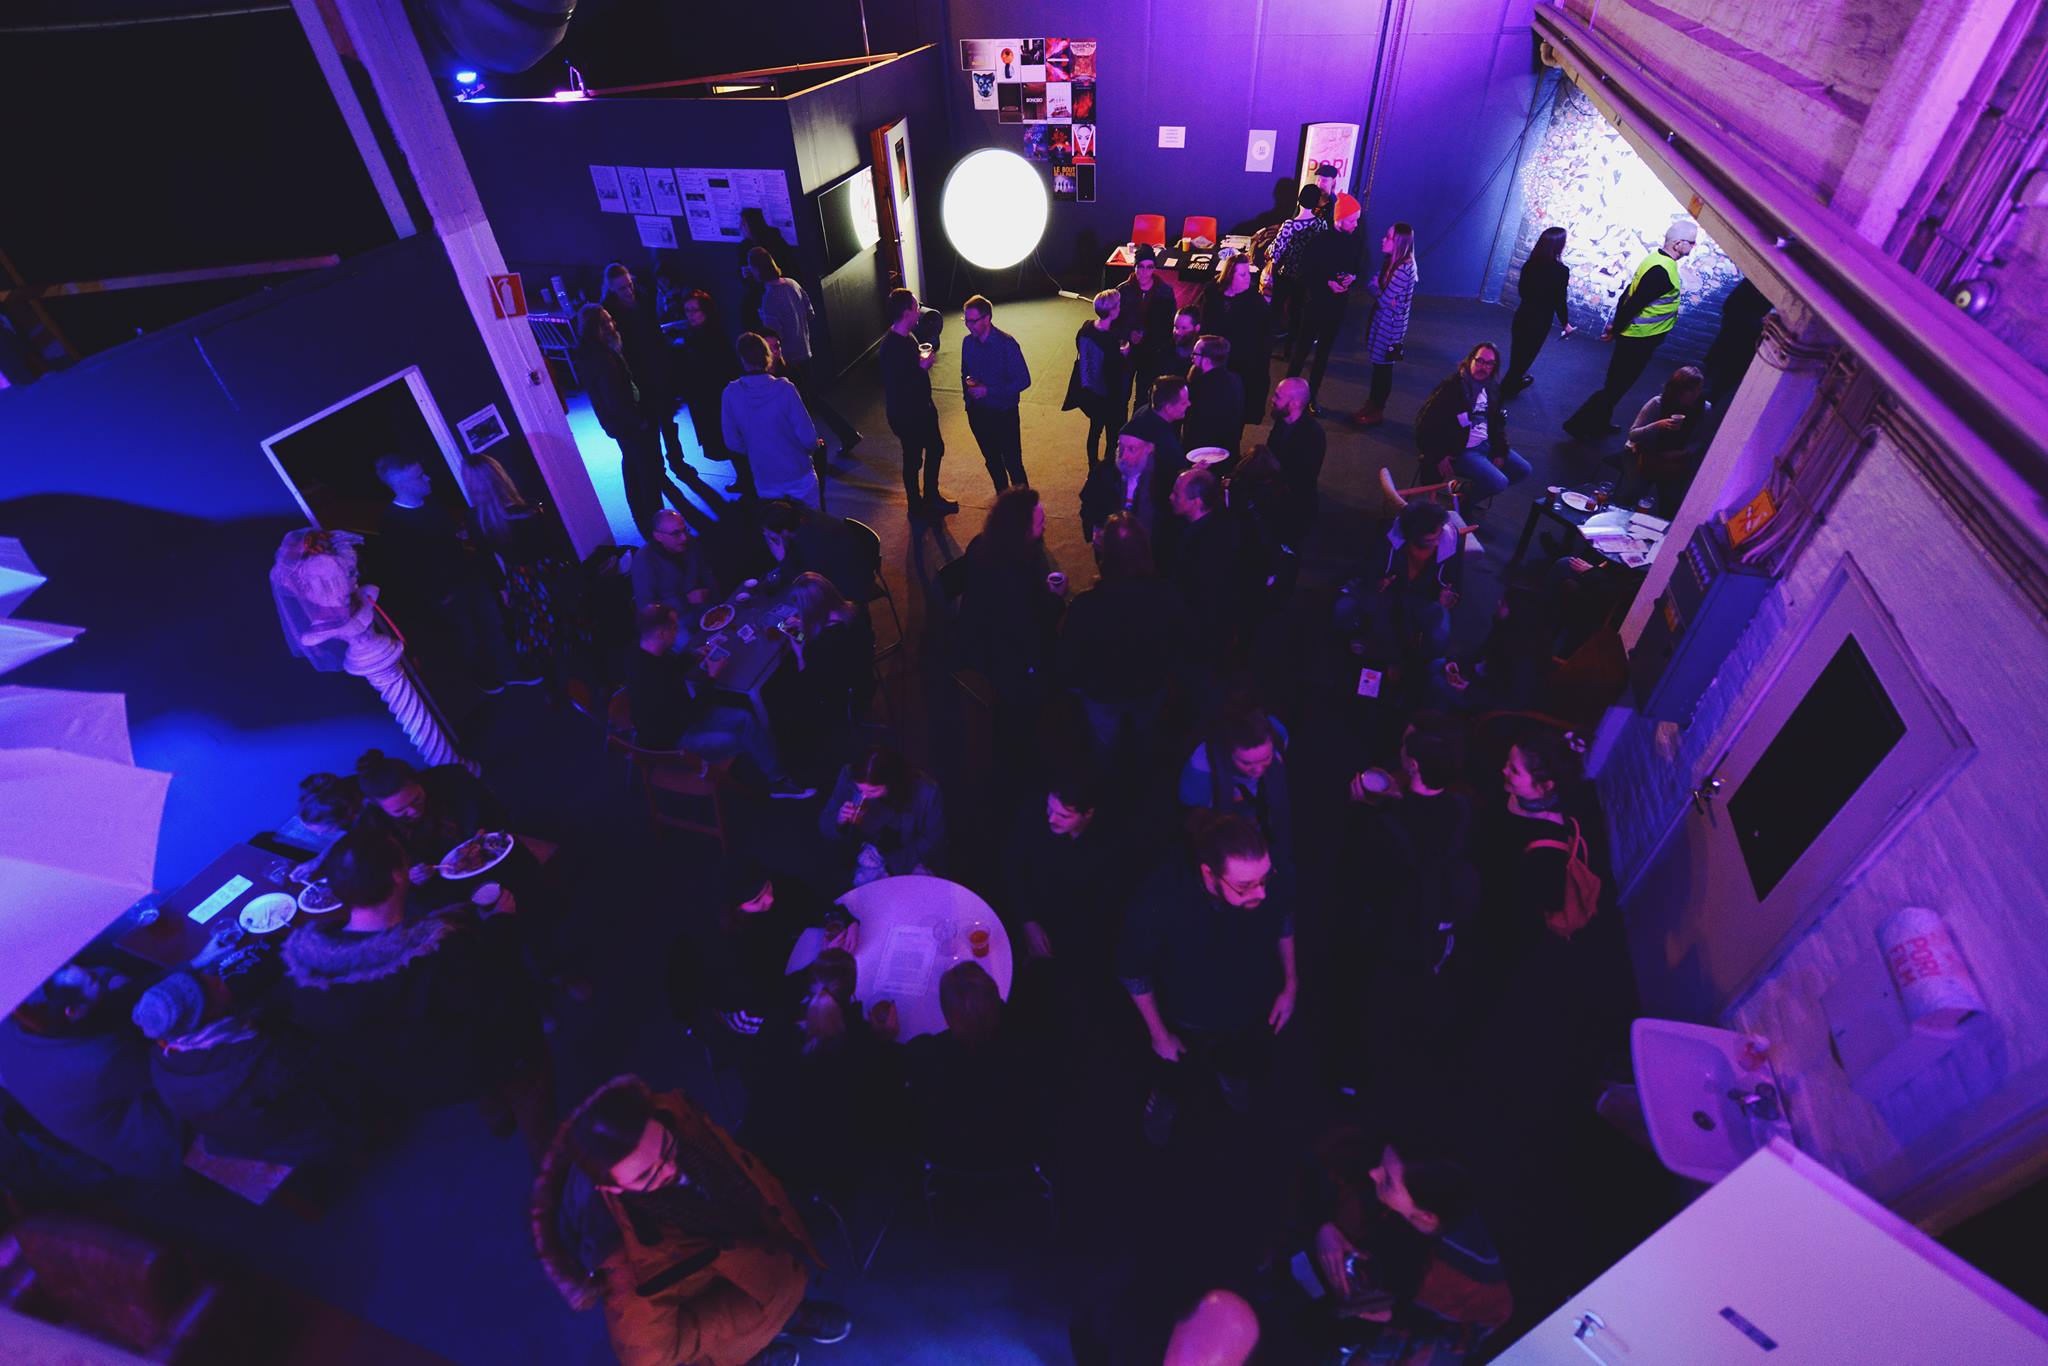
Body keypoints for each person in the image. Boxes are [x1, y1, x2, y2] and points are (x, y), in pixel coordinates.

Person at [531, 1076, 850, 1366]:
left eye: (667, 1147)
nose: (673, 1170)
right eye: (647, 1174)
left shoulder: (672, 1113)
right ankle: (759, 1345)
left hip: (764, 1262)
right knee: (752, 1332)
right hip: (741, 1315)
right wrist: (747, 1314)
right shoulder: (626, 1267)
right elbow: (650, 1355)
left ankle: (788, 1313)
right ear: (610, 1189)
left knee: (775, 1290)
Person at [282, 830, 547, 1132]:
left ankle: (494, 1114)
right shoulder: (438, 952)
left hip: (407, 1081)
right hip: (477, 1059)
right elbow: (498, 990)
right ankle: (547, 1150)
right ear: (398, 876)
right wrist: (501, 923)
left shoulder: (305, 968)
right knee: (530, 1080)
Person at [1119, 813, 1296, 1145]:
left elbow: (1284, 918)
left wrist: (1290, 984)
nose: (1260, 893)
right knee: (1173, 1071)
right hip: (1186, 1013)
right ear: (1208, 874)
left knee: (1239, 1058)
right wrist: (1159, 1035)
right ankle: (1167, 1097)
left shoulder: (1272, 873)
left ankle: (1232, 1077)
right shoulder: (1160, 899)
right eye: (1244, 886)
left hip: (1250, 1005)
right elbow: (1133, 970)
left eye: (1264, 879)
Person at [1300, 1133, 1511, 1355]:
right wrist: (1323, 1227)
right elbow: (1315, 1169)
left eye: (1389, 1182)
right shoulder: (1378, 1163)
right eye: (1380, 1164)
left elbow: (1466, 1335)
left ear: (1426, 1216)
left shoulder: (1466, 1276)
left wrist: (1394, 1317)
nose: (1373, 1173)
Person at [132, 970, 356, 1166]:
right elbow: (323, 1074)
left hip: (240, 1134)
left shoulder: (165, 1055)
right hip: (301, 1138)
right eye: (210, 987)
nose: (217, 979)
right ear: (207, 1016)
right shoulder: (259, 1061)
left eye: (203, 977)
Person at [0, 963, 183, 1177]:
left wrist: (190, 965)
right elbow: (171, 1067)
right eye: (94, 980)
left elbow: (104, 984)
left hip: (113, 1096)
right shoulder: (100, 1060)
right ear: (73, 1012)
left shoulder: (12, 1024)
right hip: (160, 1140)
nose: (99, 975)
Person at [375, 454, 536, 692]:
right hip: (445, 593)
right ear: (402, 484)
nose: (427, 478)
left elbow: (448, 539)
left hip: (469, 577)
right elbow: (407, 568)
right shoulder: (391, 522)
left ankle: (509, 672)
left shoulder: (431, 503)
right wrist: (439, 595)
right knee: (467, 638)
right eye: (419, 476)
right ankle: (484, 678)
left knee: (494, 626)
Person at [627, 608, 812, 797]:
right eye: (674, 627)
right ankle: (772, 783)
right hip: (674, 745)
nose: (678, 630)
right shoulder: (652, 679)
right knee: (740, 739)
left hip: (679, 720)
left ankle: (776, 777)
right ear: (661, 633)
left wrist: (693, 656)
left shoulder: (646, 650)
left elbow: (670, 670)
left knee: (745, 719)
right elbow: (694, 713)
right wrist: (712, 676)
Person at [1059, 514, 1194, 757]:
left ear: (1106, 555)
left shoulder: (1085, 606)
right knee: (1146, 737)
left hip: (1102, 691)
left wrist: (1076, 687)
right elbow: (1180, 641)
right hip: (1149, 685)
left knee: (1104, 745)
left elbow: (1070, 655)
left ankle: (1108, 773)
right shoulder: (1167, 596)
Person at [1563, 218, 1698, 439]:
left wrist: (1615, 326)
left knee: (1615, 384)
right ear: (1678, 243)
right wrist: (1615, 329)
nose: (1693, 246)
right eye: (1691, 242)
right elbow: (1634, 303)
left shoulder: (1656, 259)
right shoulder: (1662, 270)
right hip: (1638, 340)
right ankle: (1577, 425)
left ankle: (1600, 423)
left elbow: (1628, 293)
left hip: (1636, 337)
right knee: (1616, 387)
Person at [956, 488, 1064, 761]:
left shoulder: (981, 544)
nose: (1045, 525)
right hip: (1008, 660)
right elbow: (1034, 627)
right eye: (1040, 522)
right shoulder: (1016, 574)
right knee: (1017, 716)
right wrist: (1056, 598)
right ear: (1021, 529)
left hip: (980, 643)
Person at [354, 748, 510, 892]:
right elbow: (386, 880)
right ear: (378, 806)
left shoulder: (453, 779)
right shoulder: (372, 830)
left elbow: (495, 811)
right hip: (438, 888)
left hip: (493, 857)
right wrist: (410, 877)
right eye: (400, 810)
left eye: (417, 799)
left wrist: (488, 831)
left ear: (418, 781)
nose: (414, 811)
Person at [751, 248, 860, 455]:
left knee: (804, 404)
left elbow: (774, 336)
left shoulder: (769, 298)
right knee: (810, 399)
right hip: (805, 350)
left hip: (788, 359)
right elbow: (810, 313)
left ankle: (833, 439)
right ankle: (843, 435)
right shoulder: (792, 284)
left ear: (757, 269)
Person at [577, 302, 672, 540]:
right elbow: (614, 399)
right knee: (646, 472)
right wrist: (638, 422)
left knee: (632, 465)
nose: (613, 324)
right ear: (597, 328)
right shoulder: (603, 358)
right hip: (630, 424)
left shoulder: (593, 353)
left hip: (620, 425)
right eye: (607, 321)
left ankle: (644, 518)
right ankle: (655, 522)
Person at [764, 571, 873, 767]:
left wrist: (799, 653)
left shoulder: (820, 646)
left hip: (841, 699)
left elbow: (810, 685)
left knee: (777, 697)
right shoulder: (854, 612)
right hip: (864, 677)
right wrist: (806, 625)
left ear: (811, 609)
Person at [1178, 702, 1294, 869]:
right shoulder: (1202, 765)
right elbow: (1194, 820)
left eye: (1266, 759)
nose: (1258, 770)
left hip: (1272, 829)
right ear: (1228, 752)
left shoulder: (1279, 734)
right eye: (1246, 763)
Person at [1354, 500, 1464, 672]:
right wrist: (1378, 581)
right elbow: (1369, 568)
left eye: (1439, 535)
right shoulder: (1389, 536)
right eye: (1430, 540)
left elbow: (1455, 579)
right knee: (1353, 614)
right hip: (1391, 592)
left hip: (1426, 598)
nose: (1437, 543)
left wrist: (1448, 595)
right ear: (1412, 537)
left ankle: (1419, 670)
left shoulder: (1450, 539)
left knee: (1439, 635)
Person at [1415, 341, 1531, 499]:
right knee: (1499, 482)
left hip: (1486, 443)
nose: (1483, 367)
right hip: (1461, 450)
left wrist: (1500, 450)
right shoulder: (1451, 389)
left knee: (1523, 470)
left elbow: (1496, 424)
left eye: (1489, 364)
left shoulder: (1491, 389)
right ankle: (1464, 503)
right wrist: (1439, 455)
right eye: (1480, 361)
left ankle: (1464, 491)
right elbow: (1424, 424)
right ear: (1470, 360)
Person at [601, 263, 685, 484]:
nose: (628, 291)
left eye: (629, 285)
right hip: (638, 377)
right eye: (622, 288)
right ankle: (660, 471)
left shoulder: (643, 299)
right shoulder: (610, 313)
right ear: (611, 289)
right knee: (651, 428)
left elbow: (655, 333)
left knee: (668, 421)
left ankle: (676, 461)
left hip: (657, 370)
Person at [723, 331, 826, 506]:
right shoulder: (785, 389)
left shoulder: (730, 393)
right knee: (812, 519)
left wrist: (758, 451)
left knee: (777, 522)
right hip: (798, 475)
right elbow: (808, 436)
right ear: (767, 356)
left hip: (765, 479)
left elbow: (732, 442)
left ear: (741, 358)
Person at [819, 744, 946, 883]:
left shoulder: (926, 792)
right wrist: (839, 821)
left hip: (908, 854)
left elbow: (932, 838)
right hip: (862, 855)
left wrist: (893, 864)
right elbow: (825, 824)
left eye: (873, 791)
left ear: (892, 783)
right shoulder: (848, 775)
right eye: (859, 790)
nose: (864, 795)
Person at [879, 288, 955, 520]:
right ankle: (916, 505)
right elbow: (897, 388)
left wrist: (921, 368)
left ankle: (930, 497)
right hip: (907, 415)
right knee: (913, 459)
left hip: (922, 408)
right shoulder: (890, 347)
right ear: (906, 313)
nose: (919, 310)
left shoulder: (907, 337)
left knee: (935, 448)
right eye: (915, 307)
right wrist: (921, 369)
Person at [1287, 194, 1364, 413]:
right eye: (1352, 220)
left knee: (1323, 354)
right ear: (1340, 219)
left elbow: (1358, 267)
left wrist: (1352, 278)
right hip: (1316, 303)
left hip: (1337, 305)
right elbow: (1303, 273)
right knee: (1301, 350)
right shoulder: (1320, 241)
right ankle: (1288, 392)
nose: (1356, 225)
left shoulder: (1355, 241)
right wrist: (1327, 282)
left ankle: (1312, 397)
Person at [959, 294, 1033, 492]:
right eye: (966, 320)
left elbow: (1024, 380)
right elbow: (964, 374)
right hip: (978, 415)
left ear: (987, 318)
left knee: (1013, 463)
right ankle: (1003, 499)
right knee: (992, 462)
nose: (968, 325)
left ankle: (1024, 505)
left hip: (1004, 414)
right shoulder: (967, 343)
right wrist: (969, 403)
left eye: (973, 321)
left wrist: (988, 391)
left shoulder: (1007, 344)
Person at [1168, 466, 1243, 652]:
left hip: (1200, 636)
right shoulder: (1221, 522)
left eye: (1176, 494)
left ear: (1196, 502)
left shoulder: (1207, 546)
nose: (1170, 497)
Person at [1621, 364, 1713, 513]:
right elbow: (1633, 434)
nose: (1697, 394)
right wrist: (1657, 425)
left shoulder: (1704, 408)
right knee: (1633, 494)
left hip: (1676, 460)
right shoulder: (1657, 403)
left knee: (1671, 502)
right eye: (1692, 390)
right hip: (1644, 455)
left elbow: (1701, 440)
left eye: (1699, 389)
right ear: (1679, 390)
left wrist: (1683, 452)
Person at [1353, 221, 1418, 427]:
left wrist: (1379, 291)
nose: (1383, 240)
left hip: (1390, 327)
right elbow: (1375, 289)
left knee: (1383, 369)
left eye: (1388, 237)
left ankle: (1377, 409)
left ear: (1398, 243)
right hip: (1383, 320)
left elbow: (1382, 297)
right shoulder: (1390, 262)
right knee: (1378, 367)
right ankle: (1372, 404)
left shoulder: (1403, 268)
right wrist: (1381, 293)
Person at [1501, 225, 1574, 394]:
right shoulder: (1561, 271)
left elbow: (1522, 291)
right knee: (1527, 357)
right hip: (1540, 321)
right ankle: (1505, 390)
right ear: (1558, 245)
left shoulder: (1529, 265)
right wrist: (1565, 323)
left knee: (1517, 354)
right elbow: (1559, 301)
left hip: (1523, 315)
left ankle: (1513, 383)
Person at [1065, 288, 1130, 467]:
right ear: (1113, 311)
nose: (1120, 307)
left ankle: (1092, 465)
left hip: (1091, 389)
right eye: (1118, 305)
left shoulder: (1086, 327)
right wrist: (1124, 354)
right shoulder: (1109, 340)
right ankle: (1108, 468)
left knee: (1094, 431)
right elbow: (1116, 368)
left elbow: (1079, 346)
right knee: (1112, 434)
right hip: (1108, 395)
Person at [1205, 253, 1272, 422]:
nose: (1248, 278)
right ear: (1230, 276)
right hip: (1215, 360)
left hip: (1242, 364)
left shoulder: (1255, 302)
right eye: (1242, 274)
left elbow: (1264, 338)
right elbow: (1205, 323)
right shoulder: (1212, 293)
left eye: (1248, 273)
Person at [675, 289, 739, 464]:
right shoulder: (691, 335)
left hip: (717, 397)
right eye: (687, 310)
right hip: (703, 399)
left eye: (695, 310)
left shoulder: (715, 336)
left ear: (706, 311)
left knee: (729, 442)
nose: (690, 315)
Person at [1266, 377, 1327, 550]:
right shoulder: (1283, 420)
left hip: (1294, 506)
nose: (1272, 399)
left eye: (1278, 397)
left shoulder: (1312, 436)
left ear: (1294, 403)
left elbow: (1299, 480)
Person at [1265, 185, 1328, 349]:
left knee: (1276, 308)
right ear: (1316, 202)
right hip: (1306, 276)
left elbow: (1277, 250)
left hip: (1286, 273)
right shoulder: (1321, 224)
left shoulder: (1289, 225)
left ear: (1299, 200)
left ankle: (1267, 344)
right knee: (1297, 311)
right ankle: (1290, 348)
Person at [1116, 245, 1179, 401]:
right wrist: (1128, 334)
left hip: (1151, 351)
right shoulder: (1122, 291)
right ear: (1134, 267)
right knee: (1121, 394)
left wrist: (1152, 338)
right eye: (1141, 267)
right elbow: (1113, 321)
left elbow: (1169, 323)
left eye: (1149, 267)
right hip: (1127, 351)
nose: (1144, 272)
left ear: (1154, 268)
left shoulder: (1165, 291)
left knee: (1143, 396)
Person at [1080, 428, 1161, 543]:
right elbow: (1088, 506)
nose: (1123, 456)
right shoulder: (1103, 471)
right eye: (1121, 447)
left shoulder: (1160, 477)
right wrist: (1093, 532)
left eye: (1131, 449)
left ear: (1149, 449)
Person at [632, 508, 718, 615]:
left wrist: (717, 599)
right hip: (673, 618)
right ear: (658, 536)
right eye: (676, 533)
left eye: (685, 530)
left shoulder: (689, 541)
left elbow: (705, 572)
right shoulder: (643, 561)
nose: (684, 538)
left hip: (702, 606)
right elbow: (646, 608)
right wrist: (686, 600)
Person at [1122, 374, 1191, 502]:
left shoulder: (1144, 411)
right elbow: (1172, 477)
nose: (1189, 404)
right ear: (1168, 408)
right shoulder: (1163, 441)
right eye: (1183, 402)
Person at [1182, 335, 1246, 458]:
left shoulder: (1200, 387)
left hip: (1203, 454)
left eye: (1195, 354)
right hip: (1227, 450)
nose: (1192, 357)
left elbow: (1194, 425)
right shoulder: (1235, 379)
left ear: (1206, 360)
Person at [1170, 305, 1203, 370]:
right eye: (1176, 327)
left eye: (1184, 328)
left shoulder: (1203, 357)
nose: (1177, 332)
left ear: (1197, 328)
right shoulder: (1164, 351)